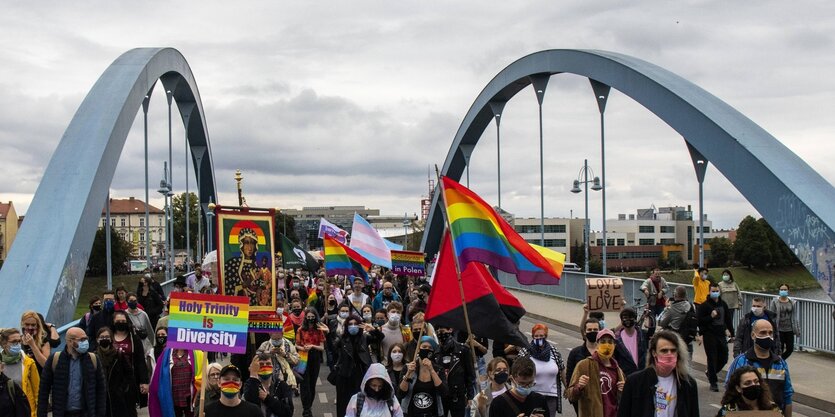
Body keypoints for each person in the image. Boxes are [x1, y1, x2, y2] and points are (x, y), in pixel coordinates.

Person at [617, 330, 699, 417]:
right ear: (654, 353)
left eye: (673, 350)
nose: (669, 354)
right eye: (664, 351)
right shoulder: (635, 382)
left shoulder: (688, 384)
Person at [726, 320, 794, 416]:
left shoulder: (780, 363)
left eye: (770, 333)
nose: (767, 336)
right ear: (753, 335)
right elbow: (730, 391)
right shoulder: (742, 361)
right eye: (763, 333)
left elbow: (787, 396)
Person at [37, 327, 107, 417]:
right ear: (70, 341)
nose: (85, 342)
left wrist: (100, 414)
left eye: (86, 339)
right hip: (62, 413)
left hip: (86, 413)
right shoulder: (55, 359)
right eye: (81, 340)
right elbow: (43, 390)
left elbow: (101, 389)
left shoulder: (93, 359)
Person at [567, 328, 624, 417]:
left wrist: (622, 391)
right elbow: (570, 395)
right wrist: (579, 387)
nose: (607, 345)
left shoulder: (618, 370)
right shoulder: (584, 365)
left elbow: (622, 401)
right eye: (603, 341)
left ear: (614, 345)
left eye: (610, 342)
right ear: (597, 344)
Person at [334, 314, 383, 417]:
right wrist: (328, 333)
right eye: (350, 324)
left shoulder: (364, 338)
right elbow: (332, 348)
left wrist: (373, 330)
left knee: (361, 403)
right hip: (345, 375)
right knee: (344, 404)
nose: (353, 326)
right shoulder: (342, 339)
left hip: (361, 375)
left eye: (355, 324)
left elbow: (380, 338)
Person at [517, 324, 564, 416]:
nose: (539, 338)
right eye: (536, 336)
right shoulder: (526, 351)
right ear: (533, 337)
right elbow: (517, 370)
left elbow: (561, 369)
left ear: (546, 336)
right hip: (532, 395)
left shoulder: (554, 352)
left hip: (551, 395)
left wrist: (568, 387)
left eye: (541, 336)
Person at [95, 327, 143, 417]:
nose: (104, 339)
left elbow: (129, 374)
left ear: (111, 339)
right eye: (102, 337)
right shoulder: (94, 357)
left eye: (107, 337)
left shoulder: (119, 355)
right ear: (97, 339)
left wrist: (123, 388)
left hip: (119, 398)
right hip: (101, 399)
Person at [696, 282, 733, 391]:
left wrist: (732, 332)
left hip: (721, 334)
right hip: (709, 334)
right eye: (713, 291)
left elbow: (728, 319)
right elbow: (699, 321)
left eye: (717, 291)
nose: (715, 293)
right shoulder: (704, 306)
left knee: (724, 357)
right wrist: (710, 317)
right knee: (712, 358)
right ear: (709, 291)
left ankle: (710, 372)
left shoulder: (723, 304)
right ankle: (713, 383)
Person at [110, 311, 150, 411]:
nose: (120, 323)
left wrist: (144, 381)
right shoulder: (109, 337)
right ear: (113, 322)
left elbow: (141, 361)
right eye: (118, 321)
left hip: (130, 380)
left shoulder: (134, 339)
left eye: (123, 321)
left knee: (129, 409)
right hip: (111, 380)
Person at [149, 346, 205, 417]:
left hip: (190, 397)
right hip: (173, 397)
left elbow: (202, 374)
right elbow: (158, 374)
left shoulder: (196, 352)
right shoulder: (167, 353)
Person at [399, 336, 446, 417]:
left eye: (430, 348)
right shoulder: (408, 367)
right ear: (418, 349)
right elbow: (401, 394)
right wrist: (408, 374)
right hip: (411, 413)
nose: (427, 349)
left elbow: (444, 392)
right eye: (424, 347)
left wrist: (431, 370)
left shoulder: (438, 369)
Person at [434, 326, 476, 417]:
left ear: (450, 330)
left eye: (442, 330)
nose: (440, 333)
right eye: (437, 331)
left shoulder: (463, 350)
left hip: (458, 395)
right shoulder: (435, 352)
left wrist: (470, 396)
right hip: (441, 396)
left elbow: (470, 375)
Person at [296, 307, 328, 417]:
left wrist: (312, 346)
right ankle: (306, 409)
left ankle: (309, 405)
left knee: (312, 384)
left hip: (314, 357)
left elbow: (322, 347)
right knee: (304, 384)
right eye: (308, 317)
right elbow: (296, 345)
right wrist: (303, 348)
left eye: (312, 317)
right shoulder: (300, 330)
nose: (310, 319)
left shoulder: (319, 330)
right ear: (305, 318)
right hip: (303, 356)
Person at [0, 328, 39, 417]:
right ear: (3, 344)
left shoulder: (29, 363)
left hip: (26, 412)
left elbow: (37, 392)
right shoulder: (1, 364)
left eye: (19, 341)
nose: (17, 344)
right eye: (14, 342)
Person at [565, 318, 599, 415]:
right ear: (584, 332)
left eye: (595, 330)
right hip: (581, 399)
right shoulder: (575, 353)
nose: (592, 332)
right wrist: (573, 396)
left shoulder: (606, 352)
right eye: (589, 330)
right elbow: (569, 378)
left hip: (601, 398)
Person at [224, 228, 266, 305]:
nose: (250, 247)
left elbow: (262, 285)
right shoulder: (233, 263)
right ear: (241, 245)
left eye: (252, 243)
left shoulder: (256, 267)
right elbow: (230, 287)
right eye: (246, 243)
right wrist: (249, 280)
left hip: (254, 307)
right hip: (238, 308)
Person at [717, 366, 782, 416]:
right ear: (738, 388)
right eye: (748, 383)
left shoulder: (772, 408)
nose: (753, 385)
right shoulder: (729, 410)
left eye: (756, 381)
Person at [659, 286, 698, 358]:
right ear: (686, 295)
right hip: (688, 341)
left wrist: (666, 308)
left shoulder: (671, 309)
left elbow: (662, 323)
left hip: (675, 341)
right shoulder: (692, 306)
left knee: (674, 366)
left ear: (675, 295)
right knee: (687, 367)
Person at [125, 292, 155, 371]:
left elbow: (149, 330)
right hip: (134, 344)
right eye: (131, 301)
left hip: (146, 344)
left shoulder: (143, 314)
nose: (133, 302)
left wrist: (154, 344)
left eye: (135, 300)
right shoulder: (125, 315)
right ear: (127, 302)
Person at [770, 284, 801, 360]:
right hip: (779, 329)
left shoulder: (792, 302)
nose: (783, 291)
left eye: (785, 289)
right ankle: (778, 363)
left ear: (788, 291)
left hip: (789, 329)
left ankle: (779, 361)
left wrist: (797, 329)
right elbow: (772, 316)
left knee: (790, 349)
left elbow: (794, 316)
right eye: (781, 289)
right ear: (779, 291)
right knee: (779, 349)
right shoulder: (775, 302)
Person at [613, 308, 646, 377]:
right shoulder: (616, 339)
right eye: (625, 318)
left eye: (630, 317)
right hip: (626, 375)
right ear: (621, 321)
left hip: (642, 373)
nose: (627, 320)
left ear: (635, 319)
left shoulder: (643, 334)